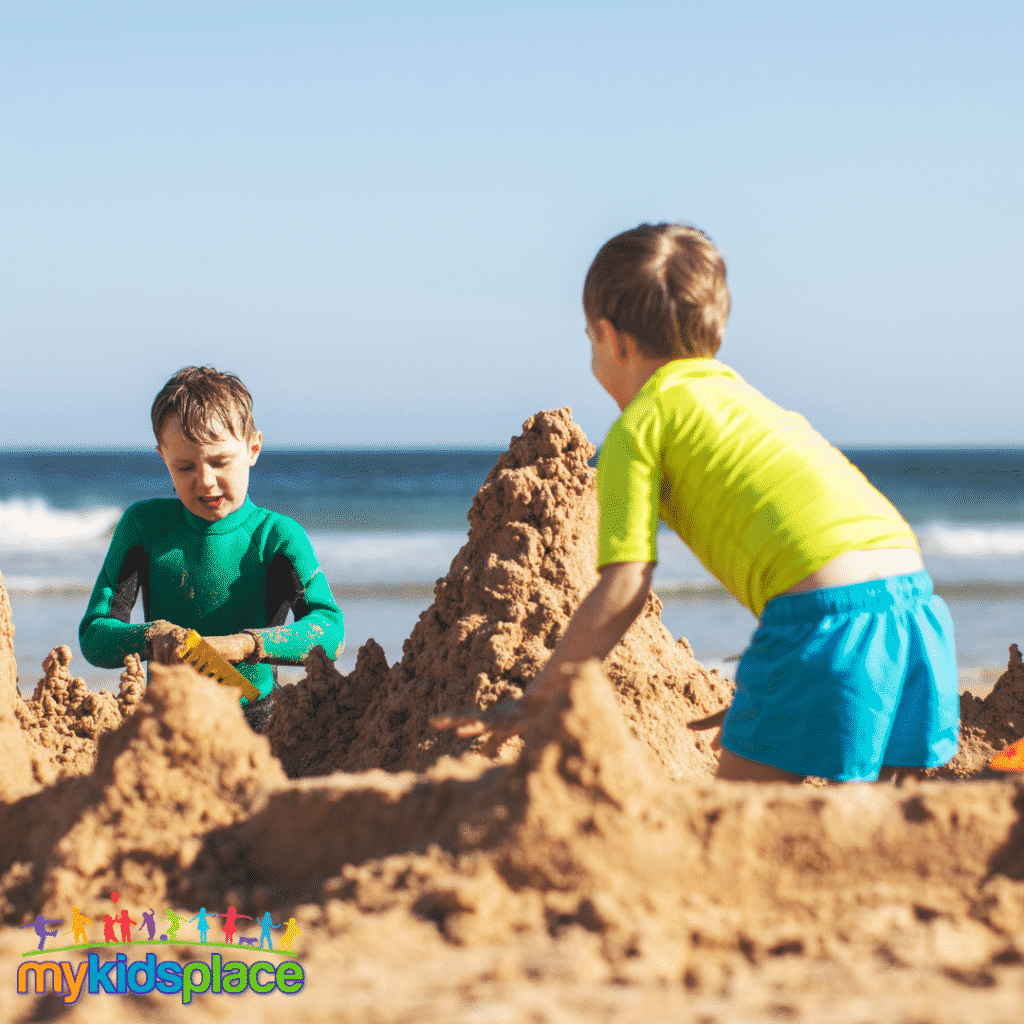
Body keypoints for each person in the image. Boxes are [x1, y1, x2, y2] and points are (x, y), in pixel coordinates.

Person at [437, 223, 959, 783]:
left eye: (589, 339)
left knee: (730, 830)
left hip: (822, 623)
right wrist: (771, 681)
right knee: (880, 820)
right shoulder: (748, 401)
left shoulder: (640, 428)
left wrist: (540, 694)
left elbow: (624, 586)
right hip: (917, 608)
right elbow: (800, 532)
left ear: (612, 339)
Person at [80, 366, 345, 733]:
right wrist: (151, 636)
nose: (205, 481)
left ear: (253, 448)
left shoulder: (277, 536)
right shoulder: (143, 527)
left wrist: (241, 645)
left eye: (220, 462)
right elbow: (94, 636)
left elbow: (330, 631)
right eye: (185, 466)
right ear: (163, 457)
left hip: (256, 720)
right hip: (168, 719)